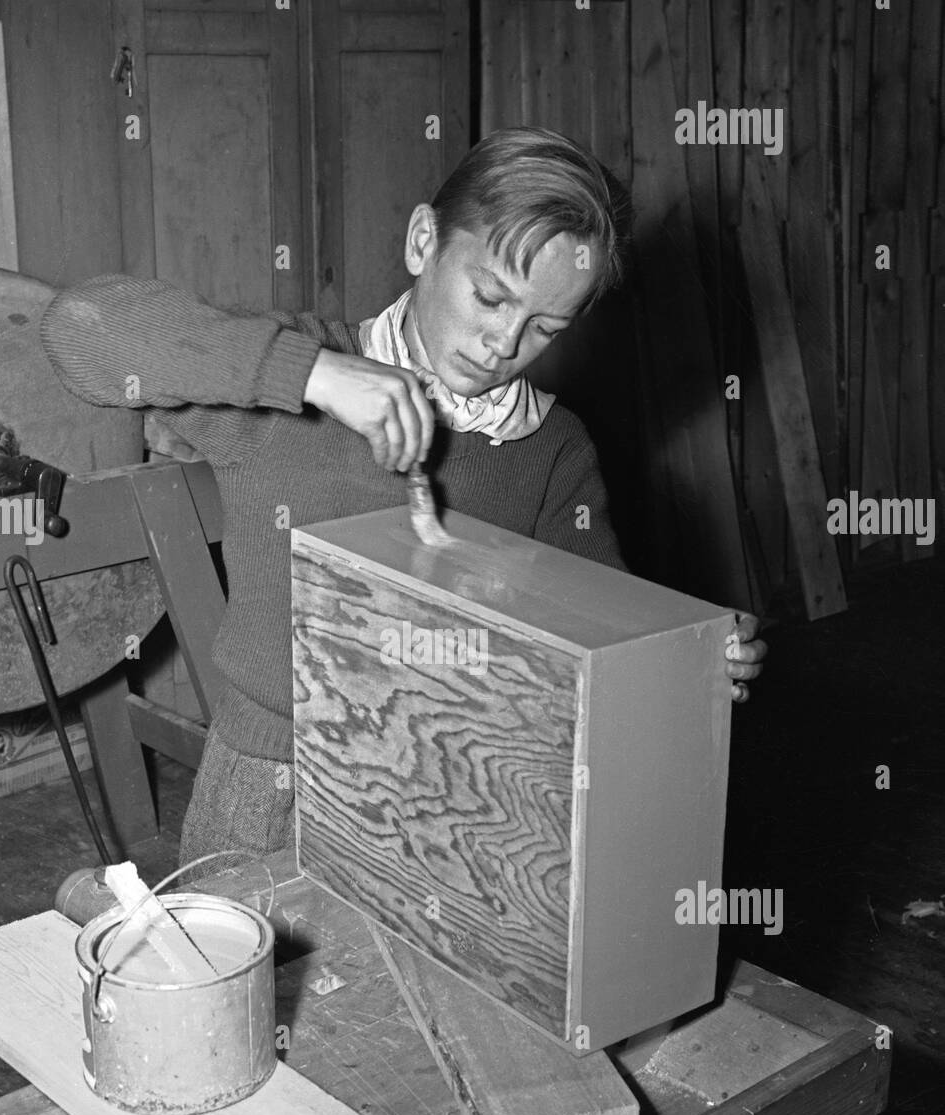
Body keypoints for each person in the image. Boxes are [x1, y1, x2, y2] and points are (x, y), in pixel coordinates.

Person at [41, 126, 765, 864]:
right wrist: (314, 374)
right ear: (424, 241)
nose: (501, 344)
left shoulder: (552, 449)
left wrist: (687, 654)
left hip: (454, 793)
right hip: (271, 781)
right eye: (489, 296)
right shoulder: (290, 380)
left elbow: (593, 627)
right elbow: (79, 330)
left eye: (545, 327)